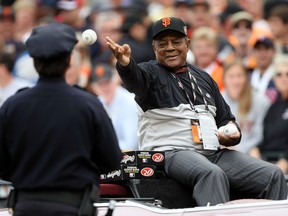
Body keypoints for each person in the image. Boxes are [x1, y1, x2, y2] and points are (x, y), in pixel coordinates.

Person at [106, 17, 288, 206]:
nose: (170, 48)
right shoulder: (150, 73)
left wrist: (231, 132)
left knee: (273, 174)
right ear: (154, 47)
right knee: (210, 173)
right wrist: (125, 65)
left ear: (188, 44)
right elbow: (134, 80)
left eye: (176, 42)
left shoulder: (204, 78)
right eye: (163, 44)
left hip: (212, 152)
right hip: (170, 152)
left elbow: (226, 119)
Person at [0, 22, 122, 216]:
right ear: (68, 60)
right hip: (73, 206)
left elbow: (2, 165)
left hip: (26, 206)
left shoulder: (12, 106)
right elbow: (112, 160)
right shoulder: (89, 105)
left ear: (34, 61)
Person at [221, 59, 271, 154]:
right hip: (224, 153)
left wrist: (239, 150)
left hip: (250, 153)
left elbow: (259, 136)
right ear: (224, 79)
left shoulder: (261, 101)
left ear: (246, 78)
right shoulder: (218, 100)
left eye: (239, 76)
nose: (235, 81)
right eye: (231, 76)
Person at [88, 63, 139, 151]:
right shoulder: (99, 103)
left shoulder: (129, 102)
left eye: (107, 82)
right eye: (100, 84)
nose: (105, 88)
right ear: (94, 87)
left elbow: (131, 144)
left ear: (115, 80)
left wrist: (102, 146)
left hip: (132, 158)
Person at [251, 55, 288, 174]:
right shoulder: (273, 106)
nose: (284, 78)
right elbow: (267, 138)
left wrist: (286, 160)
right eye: (279, 74)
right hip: (269, 162)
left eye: (287, 74)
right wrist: (256, 149)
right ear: (274, 80)